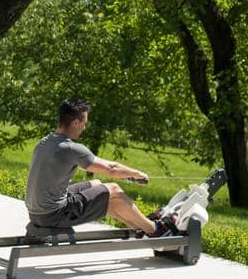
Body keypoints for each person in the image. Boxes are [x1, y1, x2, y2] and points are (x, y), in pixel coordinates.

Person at [23, 97, 169, 236]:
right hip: (54, 215)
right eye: (84, 123)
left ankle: (141, 226)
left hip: (36, 213)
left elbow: (88, 166)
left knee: (97, 184)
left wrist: (128, 176)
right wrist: (138, 174)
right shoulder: (71, 148)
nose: (84, 128)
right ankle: (155, 229)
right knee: (114, 190)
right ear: (75, 122)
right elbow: (112, 169)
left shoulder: (45, 142)